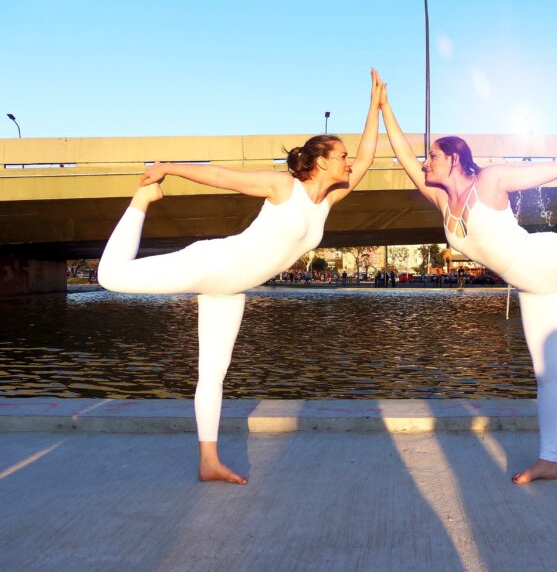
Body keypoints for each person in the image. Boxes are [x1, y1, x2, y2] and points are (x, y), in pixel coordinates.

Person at [98, 70, 384, 484]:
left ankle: (208, 461)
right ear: (322, 162)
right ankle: (141, 202)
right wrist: (168, 169)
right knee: (109, 276)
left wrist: (374, 107)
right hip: (214, 263)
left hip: (231, 290)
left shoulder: (326, 202)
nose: (349, 161)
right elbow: (220, 176)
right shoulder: (283, 187)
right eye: (342, 156)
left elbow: (370, 159)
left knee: (212, 374)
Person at [379, 80, 557, 484]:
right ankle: (549, 459)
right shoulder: (444, 203)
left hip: (547, 258)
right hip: (532, 287)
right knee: (547, 374)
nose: (426, 162)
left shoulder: (490, 182)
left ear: (456, 159)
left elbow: (546, 172)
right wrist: (383, 107)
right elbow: (403, 156)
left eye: (433, 156)